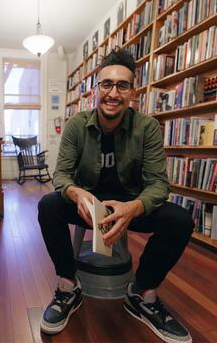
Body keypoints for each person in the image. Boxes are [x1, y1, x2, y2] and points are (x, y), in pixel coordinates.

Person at [38, 48, 194, 343]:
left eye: (122, 85)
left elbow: (159, 185)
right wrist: (76, 193)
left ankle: (142, 292)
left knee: (180, 219)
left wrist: (133, 208)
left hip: (129, 205)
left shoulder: (146, 128)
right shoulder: (76, 126)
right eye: (106, 84)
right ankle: (68, 284)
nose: (113, 93)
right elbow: (61, 176)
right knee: (49, 205)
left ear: (133, 92)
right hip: (87, 205)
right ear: (95, 89)